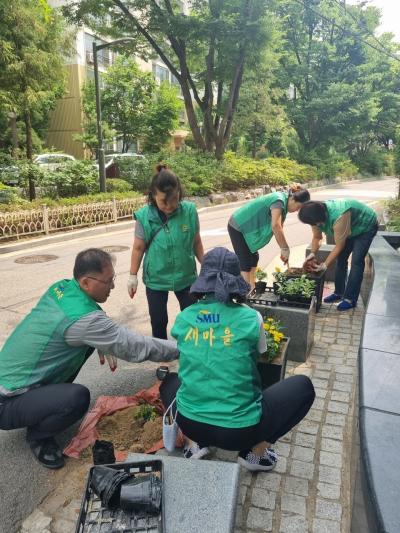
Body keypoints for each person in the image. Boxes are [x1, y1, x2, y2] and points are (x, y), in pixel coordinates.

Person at [0, 248, 179, 469]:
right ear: (85, 283)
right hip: (6, 401)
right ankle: (38, 437)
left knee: (85, 348)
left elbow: (91, 324)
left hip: (12, 380)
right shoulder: (85, 321)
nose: (113, 286)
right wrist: (183, 348)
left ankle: (40, 405)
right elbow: (135, 346)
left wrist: (102, 341)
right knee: (77, 398)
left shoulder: (62, 287)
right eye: (108, 281)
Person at [160, 247, 315, 471]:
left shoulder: (184, 316)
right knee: (303, 387)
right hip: (240, 433)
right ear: (236, 282)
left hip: (190, 423)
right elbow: (262, 354)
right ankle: (255, 455)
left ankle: (195, 445)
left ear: (203, 280)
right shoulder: (251, 317)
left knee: (169, 382)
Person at [127, 164, 204, 339]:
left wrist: (207, 267)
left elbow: (197, 242)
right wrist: (132, 276)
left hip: (186, 275)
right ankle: (162, 357)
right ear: (153, 196)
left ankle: (193, 350)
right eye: (164, 201)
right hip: (156, 277)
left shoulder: (190, 212)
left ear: (180, 193)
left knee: (193, 316)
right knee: (159, 320)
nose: (170, 206)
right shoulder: (144, 217)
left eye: (175, 199)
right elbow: (138, 248)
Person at [298, 199, 378, 311]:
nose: (312, 225)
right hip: (350, 228)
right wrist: (312, 253)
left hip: (365, 226)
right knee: (340, 259)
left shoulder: (339, 216)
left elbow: (339, 246)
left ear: (319, 217)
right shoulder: (314, 217)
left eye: (312, 223)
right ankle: (339, 293)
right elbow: (317, 237)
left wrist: (324, 265)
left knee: (356, 261)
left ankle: (350, 299)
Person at [228, 185, 310, 287]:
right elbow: (276, 226)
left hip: (247, 228)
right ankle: (244, 294)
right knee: (245, 262)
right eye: (298, 207)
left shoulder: (283, 205)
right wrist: (285, 248)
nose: (297, 211)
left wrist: (283, 250)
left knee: (253, 258)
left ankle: (251, 287)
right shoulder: (279, 201)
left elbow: (279, 230)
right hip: (238, 225)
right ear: (292, 199)